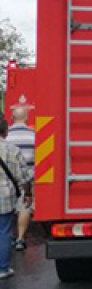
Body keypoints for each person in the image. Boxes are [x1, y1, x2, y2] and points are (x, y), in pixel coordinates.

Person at [0, 119, 32, 279]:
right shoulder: (13, 150)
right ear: (5, 132)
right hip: (5, 195)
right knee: (4, 231)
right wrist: (28, 193)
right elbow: (24, 177)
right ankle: (3, 269)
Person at [6, 107, 34, 251]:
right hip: (27, 178)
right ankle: (20, 238)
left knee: (7, 207)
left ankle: (8, 236)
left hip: (7, 178)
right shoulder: (34, 135)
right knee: (24, 207)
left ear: (12, 118)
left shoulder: (6, 136)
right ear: (27, 118)